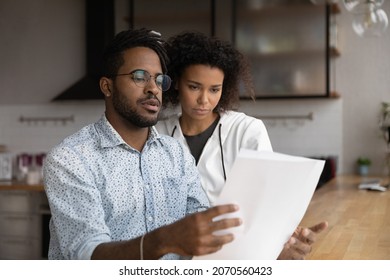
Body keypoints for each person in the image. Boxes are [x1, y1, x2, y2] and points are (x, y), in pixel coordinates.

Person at [43, 28, 242, 260]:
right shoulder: (71, 159)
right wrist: (165, 240)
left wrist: (273, 251)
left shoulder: (175, 153)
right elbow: (87, 256)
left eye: (159, 80)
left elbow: (207, 230)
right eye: (139, 77)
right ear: (107, 86)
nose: (153, 88)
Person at [156, 31, 328, 260]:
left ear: (224, 88)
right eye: (194, 87)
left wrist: (284, 241)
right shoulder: (157, 134)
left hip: (235, 254)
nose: (204, 100)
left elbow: (268, 202)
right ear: (177, 82)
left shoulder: (247, 130)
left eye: (214, 89)